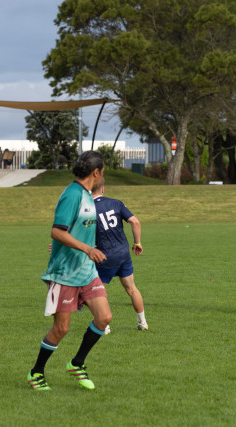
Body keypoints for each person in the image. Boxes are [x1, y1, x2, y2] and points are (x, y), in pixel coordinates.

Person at [27, 150, 110, 391]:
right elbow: (57, 231)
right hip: (64, 273)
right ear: (96, 172)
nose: (104, 174)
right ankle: (36, 372)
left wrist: (89, 249)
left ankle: (77, 363)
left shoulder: (87, 195)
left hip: (87, 271)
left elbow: (76, 230)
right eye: (103, 170)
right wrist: (87, 249)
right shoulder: (72, 194)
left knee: (104, 318)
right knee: (61, 329)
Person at [92, 177, 148, 332]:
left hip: (103, 256)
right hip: (123, 254)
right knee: (131, 289)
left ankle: (105, 326)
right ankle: (142, 323)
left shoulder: (87, 209)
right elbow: (135, 222)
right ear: (103, 189)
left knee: (98, 292)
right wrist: (137, 243)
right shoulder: (116, 203)